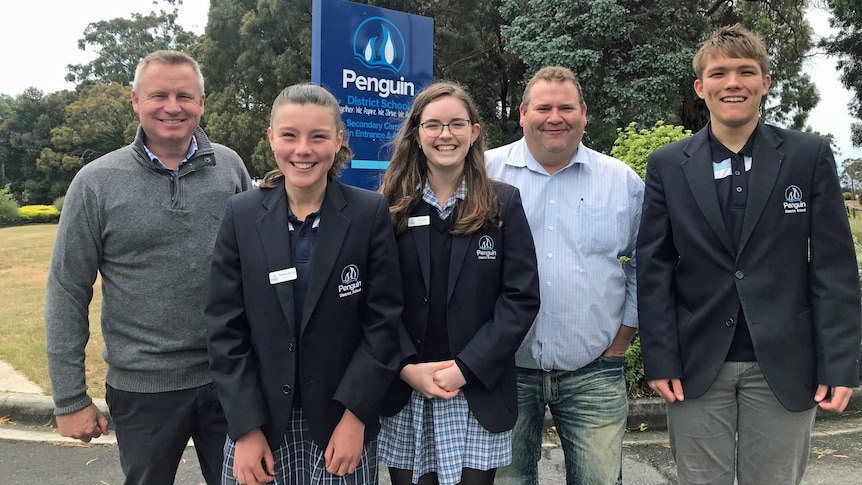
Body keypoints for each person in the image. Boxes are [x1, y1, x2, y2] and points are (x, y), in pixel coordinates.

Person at [637, 24, 862, 484]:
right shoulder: (667, 164)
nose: (733, 82)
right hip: (696, 365)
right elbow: (655, 267)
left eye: (746, 71)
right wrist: (659, 358)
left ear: (765, 82)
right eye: (719, 73)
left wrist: (841, 363)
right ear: (701, 88)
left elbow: (834, 268)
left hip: (786, 362)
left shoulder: (808, 156)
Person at [44, 50, 251, 484]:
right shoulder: (95, 182)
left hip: (229, 377)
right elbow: (67, 289)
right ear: (136, 101)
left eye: (184, 95)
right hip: (143, 388)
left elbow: (257, 265)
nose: (172, 106)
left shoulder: (230, 168)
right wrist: (69, 398)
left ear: (202, 102)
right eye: (158, 95)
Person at [204, 83, 403, 485]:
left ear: (339, 140)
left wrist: (356, 415)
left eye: (318, 136)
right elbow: (225, 327)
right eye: (290, 135)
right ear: (271, 138)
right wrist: (245, 427)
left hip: (338, 425)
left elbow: (383, 325)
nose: (303, 150)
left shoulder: (369, 214)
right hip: (260, 425)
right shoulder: (242, 215)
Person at [485, 66, 644, 485]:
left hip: (593, 370)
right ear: (522, 113)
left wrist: (624, 336)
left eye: (566, 107)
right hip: (505, 370)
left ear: (583, 113)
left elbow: (647, 263)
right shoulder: (484, 175)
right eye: (543, 107)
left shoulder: (620, 182)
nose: (554, 117)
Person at [378, 81, 541, 485]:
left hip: (475, 390)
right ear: (417, 134)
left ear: (474, 131)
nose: (445, 134)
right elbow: (375, 300)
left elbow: (521, 299)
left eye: (456, 124)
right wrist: (404, 367)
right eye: (433, 125)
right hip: (408, 391)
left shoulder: (503, 204)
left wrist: (466, 368)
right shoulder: (388, 207)